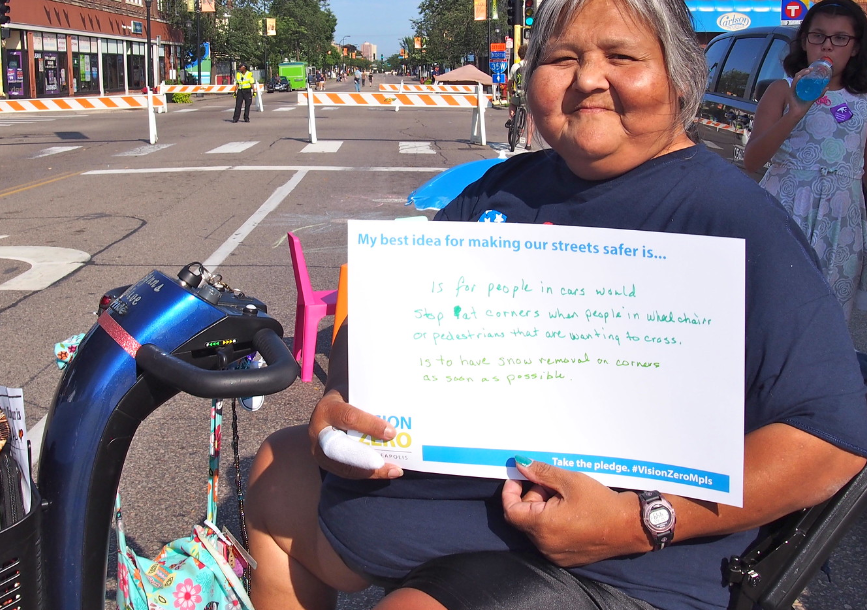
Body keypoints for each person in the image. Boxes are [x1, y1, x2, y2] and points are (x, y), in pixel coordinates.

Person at [246, 0, 867, 609]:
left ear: (682, 79)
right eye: (562, 57)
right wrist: (341, 401)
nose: (589, 79)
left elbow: (830, 439)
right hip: (445, 506)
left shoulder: (731, 218)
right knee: (279, 467)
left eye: (621, 56)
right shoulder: (501, 189)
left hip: (612, 565)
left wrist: (639, 519)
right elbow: (386, 318)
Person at [743, 0, 867, 322]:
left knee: (830, 313)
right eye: (818, 36)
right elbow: (753, 159)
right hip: (787, 206)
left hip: (843, 217)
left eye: (840, 38)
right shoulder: (782, 91)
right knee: (776, 305)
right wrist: (797, 110)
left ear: (855, 48)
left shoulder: (863, 100)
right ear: (804, 41)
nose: (827, 45)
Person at [505, 43, 537, 150]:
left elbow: (509, 83)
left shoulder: (515, 66)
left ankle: (511, 117)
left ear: (519, 55)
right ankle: (528, 143)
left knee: (512, 104)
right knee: (530, 118)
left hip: (518, 94)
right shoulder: (534, 67)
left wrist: (511, 92)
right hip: (529, 96)